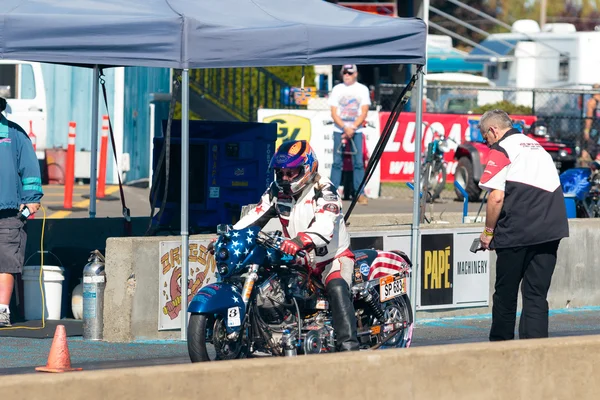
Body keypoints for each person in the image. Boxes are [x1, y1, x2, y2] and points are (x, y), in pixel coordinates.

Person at [228, 139, 359, 351]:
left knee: (336, 287)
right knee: (271, 282)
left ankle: (349, 348)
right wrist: (231, 236)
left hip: (332, 259)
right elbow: (255, 215)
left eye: (291, 172)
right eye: (280, 173)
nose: (285, 178)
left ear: (307, 168)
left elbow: (326, 223)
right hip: (300, 260)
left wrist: (300, 240)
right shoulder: (276, 191)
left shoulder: (324, 189)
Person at [477, 109, 569, 341]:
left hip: (517, 231)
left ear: (493, 130)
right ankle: (536, 351)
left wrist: (488, 232)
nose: (486, 143)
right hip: (551, 229)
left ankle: (501, 349)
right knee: (536, 295)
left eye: (485, 138)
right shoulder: (537, 146)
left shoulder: (502, 149)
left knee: (506, 295)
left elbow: (496, 197)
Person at [0, 97, 43, 327]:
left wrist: (31, 199)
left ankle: (2, 310)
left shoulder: (15, 134)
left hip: (7, 210)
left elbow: (30, 168)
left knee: (6, 261)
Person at [328, 64, 370, 205]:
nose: (347, 75)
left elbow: (364, 111)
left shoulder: (362, 89)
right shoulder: (337, 89)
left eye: (350, 73)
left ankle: (359, 193)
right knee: (337, 162)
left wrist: (352, 127)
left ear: (355, 74)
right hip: (339, 129)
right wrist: (345, 127)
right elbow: (334, 112)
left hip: (356, 129)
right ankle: (332, 193)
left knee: (358, 162)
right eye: (345, 72)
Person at [581, 83, 600, 164]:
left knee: (587, 149)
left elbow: (589, 118)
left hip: (595, 128)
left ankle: (585, 169)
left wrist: (586, 130)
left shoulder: (592, 101)